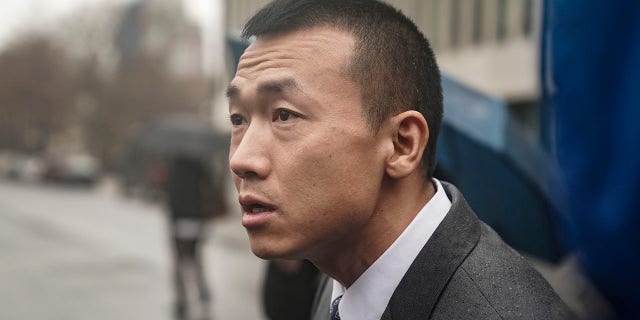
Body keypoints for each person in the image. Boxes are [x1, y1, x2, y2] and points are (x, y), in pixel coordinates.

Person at [227, 0, 573, 319]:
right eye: (238, 119)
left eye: (284, 115)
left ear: (402, 144)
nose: (242, 159)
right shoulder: (340, 270)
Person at [165, 156, 226, 320]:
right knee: (196, 258)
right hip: (197, 219)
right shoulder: (201, 165)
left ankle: (181, 298)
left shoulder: (174, 164)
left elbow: (169, 194)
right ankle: (203, 292)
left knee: (179, 260)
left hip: (179, 219)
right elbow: (209, 189)